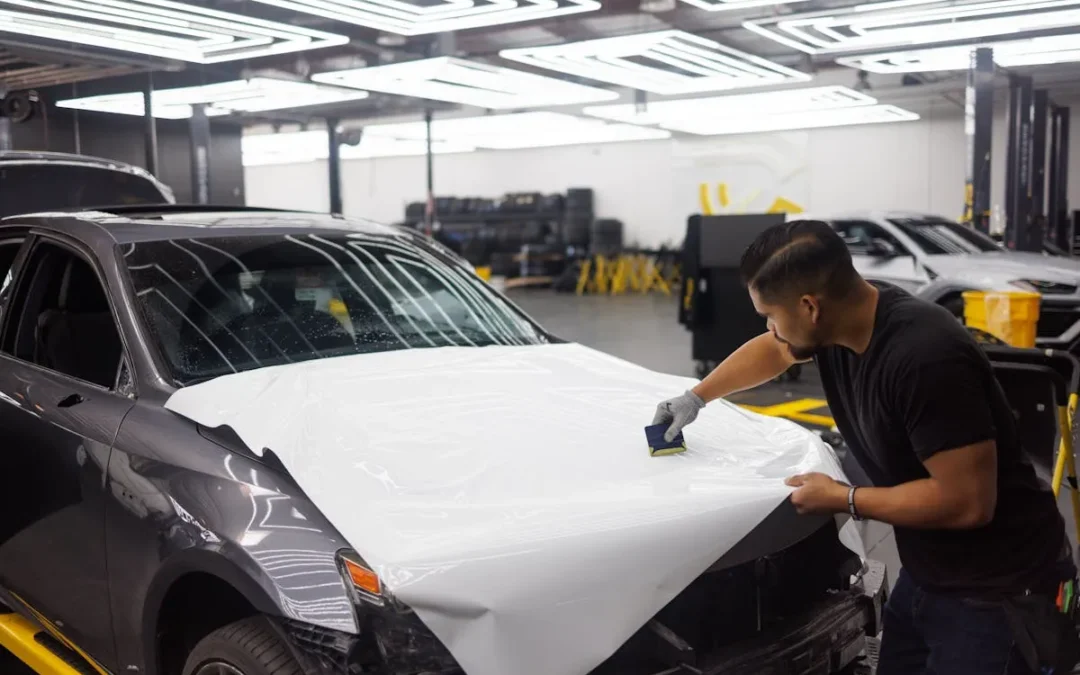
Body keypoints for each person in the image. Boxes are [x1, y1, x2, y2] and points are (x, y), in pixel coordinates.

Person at [653, 220, 1076, 675]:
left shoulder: (924, 359)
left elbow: (967, 503)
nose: (770, 327)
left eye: (770, 315)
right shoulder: (846, 318)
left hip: (999, 589)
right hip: (930, 571)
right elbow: (776, 349)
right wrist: (696, 398)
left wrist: (844, 498)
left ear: (810, 306)